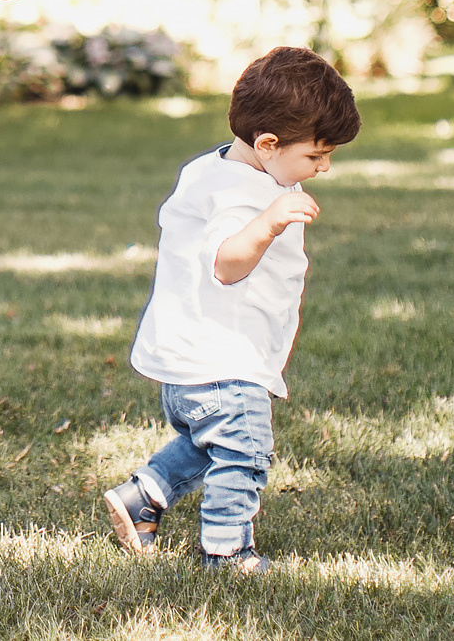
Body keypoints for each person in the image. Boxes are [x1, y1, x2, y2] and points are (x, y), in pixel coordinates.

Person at [101, 47, 361, 571]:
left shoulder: (213, 168)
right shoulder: (242, 196)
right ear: (267, 145)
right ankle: (227, 552)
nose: (324, 166)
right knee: (244, 452)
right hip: (222, 360)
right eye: (316, 155)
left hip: (190, 358)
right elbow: (226, 263)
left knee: (211, 440)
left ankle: (143, 495)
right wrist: (268, 221)